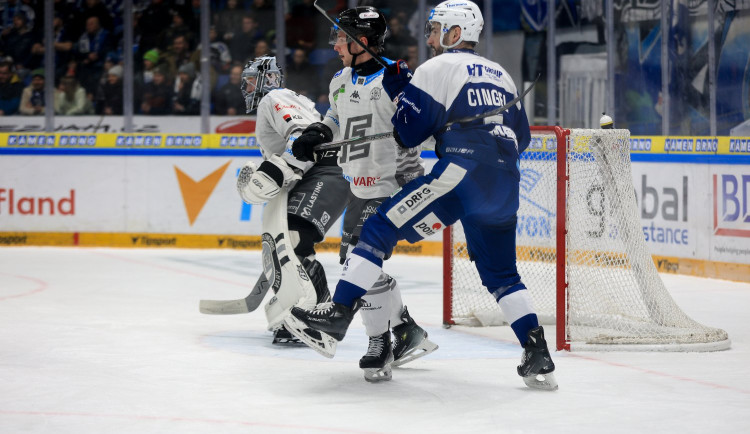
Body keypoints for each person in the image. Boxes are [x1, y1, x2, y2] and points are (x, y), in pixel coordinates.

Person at [287, 1, 557, 390]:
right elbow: (523, 138)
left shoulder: (437, 67)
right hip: (505, 184)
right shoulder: (501, 74)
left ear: (453, 33)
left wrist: (401, 91)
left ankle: (341, 311)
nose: (428, 38)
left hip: (462, 173)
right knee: (501, 274)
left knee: (378, 230)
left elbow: (408, 134)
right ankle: (537, 353)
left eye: (434, 30)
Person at [289, 6, 438, 382]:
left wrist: (405, 94)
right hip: (358, 183)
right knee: (359, 265)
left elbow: (418, 127)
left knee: (358, 260)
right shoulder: (340, 79)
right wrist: (317, 134)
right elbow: (336, 120)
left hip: (392, 184)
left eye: (342, 37)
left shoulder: (395, 78)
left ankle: (381, 342)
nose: (335, 43)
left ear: (363, 42)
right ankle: (404, 331)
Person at [235, 56, 349, 344]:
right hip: (316, 173)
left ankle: (312, 314)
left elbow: (304, 138)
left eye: (250, 80)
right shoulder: (275, 103)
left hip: (326, 169)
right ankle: (300, 312)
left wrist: (276, 171)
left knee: (294, 239)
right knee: (288, 242)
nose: (246, 87)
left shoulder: (273, 97)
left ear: (268, 79)